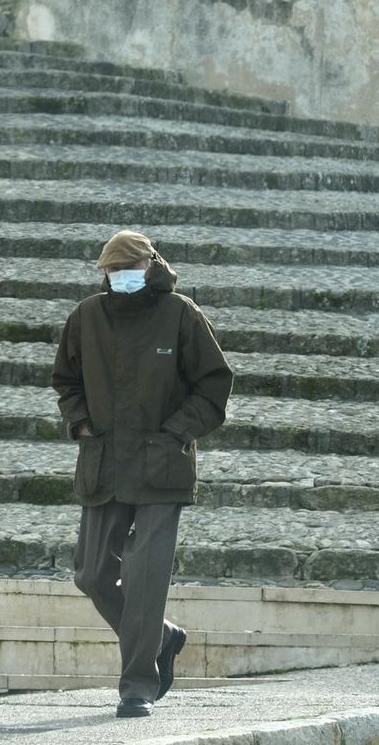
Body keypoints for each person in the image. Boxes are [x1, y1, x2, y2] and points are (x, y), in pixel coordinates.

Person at [51, 230, 234, 718]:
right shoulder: (86, 317)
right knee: (91, 575)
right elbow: (65, 381)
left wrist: (177, 432)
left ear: (151, 266)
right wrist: (82, 423)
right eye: (112, 271)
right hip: (105, 462)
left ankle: (136, 687)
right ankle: (163, 637)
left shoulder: (181, 315)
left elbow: (214, 384)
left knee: (145, 574)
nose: (121, 278)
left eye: (128, 269)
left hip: (162, 465)